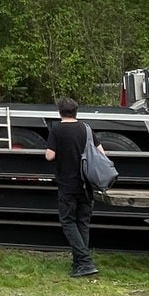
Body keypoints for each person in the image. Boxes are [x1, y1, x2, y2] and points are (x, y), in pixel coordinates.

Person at [44, 97, 99, 277]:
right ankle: (79, 263)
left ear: (59, 112)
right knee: (83, 222)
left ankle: (84, 261)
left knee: (68, 221)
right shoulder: (86, 128)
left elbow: (50, 156)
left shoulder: (57, 129)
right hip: (87, 184)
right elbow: (101, 152)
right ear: (76, 111)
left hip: (67, 183)